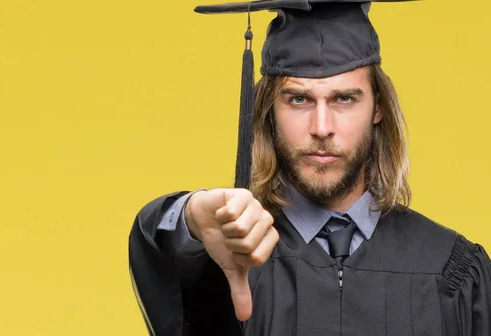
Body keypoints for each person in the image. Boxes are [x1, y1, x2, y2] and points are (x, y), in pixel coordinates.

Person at [128, 1, 491, 335]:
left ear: (377, 108)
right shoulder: (230, 259)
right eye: (298, 99)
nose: (321, 127)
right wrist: (191, 217)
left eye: (344, 99)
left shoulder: (452, 270)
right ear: (269, 109)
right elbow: (162, 260)